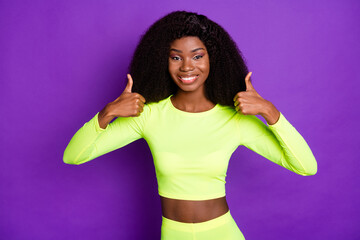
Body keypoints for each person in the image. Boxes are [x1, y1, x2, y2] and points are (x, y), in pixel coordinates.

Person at [63, 10, 317, 240]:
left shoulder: (235, 120)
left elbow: (306, 166)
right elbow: (74, 156)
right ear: (163, 61)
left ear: (213, 59)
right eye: (176, 57)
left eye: (197, 56)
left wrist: (270, 111)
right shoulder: (148, 116)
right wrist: (107, 113)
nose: (187, 66)